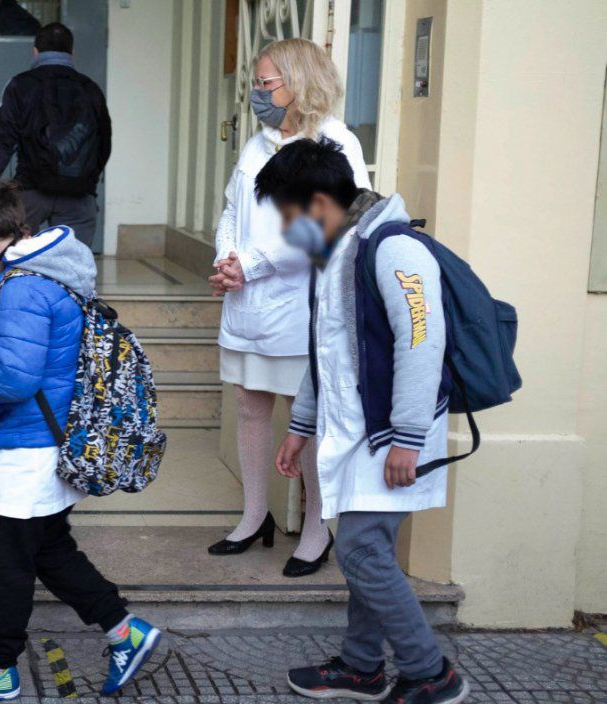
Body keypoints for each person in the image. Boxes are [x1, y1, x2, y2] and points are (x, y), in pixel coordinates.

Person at [0, 179, 159, 699]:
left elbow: (13, 376)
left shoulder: (21, 287)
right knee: (50, 550)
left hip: (30, 446)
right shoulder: (54, 270)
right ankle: (125, 631)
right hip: (52, 434)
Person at [257, 138, 469, 704]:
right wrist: (300, 427)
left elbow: (422, 343)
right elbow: (324, 353)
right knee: (365, 551)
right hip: (357, 433)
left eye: (288, 215)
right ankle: (361, 667)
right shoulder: (337, 253)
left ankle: (431, 674)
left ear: (318, 203)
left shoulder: (394, 249)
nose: (286, 229)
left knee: (360, 551)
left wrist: (408, 438)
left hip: (391, 434)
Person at [206, 38, 369, 578]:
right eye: (255, 83)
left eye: (266, 83)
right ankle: (255, 516)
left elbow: (331, 223)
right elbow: (231, 209)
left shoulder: (337, 142)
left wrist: (251, 264)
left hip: (302, 307)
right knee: (249, 406)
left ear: (300, 81)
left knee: (309, 417)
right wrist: (226, 258)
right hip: (245, 303)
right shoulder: (256, 144)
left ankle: (318, 528)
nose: (257, 92)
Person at [0, 23, 111, 248]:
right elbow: (104, 143)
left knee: (16, 258)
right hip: (79, 195)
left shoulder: (21, 84)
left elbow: (3, 137)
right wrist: (87, 179)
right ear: (72, 52)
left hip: (30, 192)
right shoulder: (91, 88)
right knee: (73, 263)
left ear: (35, 51)